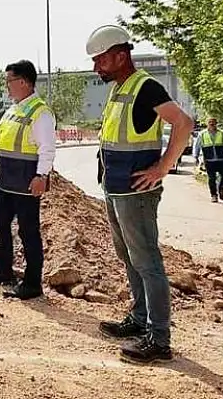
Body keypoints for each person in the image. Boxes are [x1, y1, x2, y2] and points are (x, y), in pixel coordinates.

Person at [85, 24, 194, 365]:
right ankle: (139, 318)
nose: (96, 67)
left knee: (147, 261)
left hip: (136, 192)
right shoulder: (121, 89)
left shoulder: (145, 87)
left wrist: (162, 168)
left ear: (121, 55)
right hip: (115, 189)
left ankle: (159, 338)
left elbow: (184, 123)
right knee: (130, 258)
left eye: (101, 60)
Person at [0, 60, 56, 300]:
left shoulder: (40, 112)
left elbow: (47, 148)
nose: (6, 86)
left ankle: (32, 283)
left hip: (26, 182)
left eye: (9, 81)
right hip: (6, 181)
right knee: (0, 222)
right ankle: (3, 271)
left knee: (28, 231)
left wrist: (41, 175)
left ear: (23, 82)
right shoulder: (13, 110)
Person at [193, 117, 223, 202]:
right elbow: (197, 146)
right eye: (210, 122)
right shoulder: (202, 134)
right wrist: (196, 157)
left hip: (222, 159)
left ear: (216, 123)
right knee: (211, 178)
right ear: (207, 123)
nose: (212, 124)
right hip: (209, 160)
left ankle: (221, 190)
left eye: (213, 122)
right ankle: (213, 195)